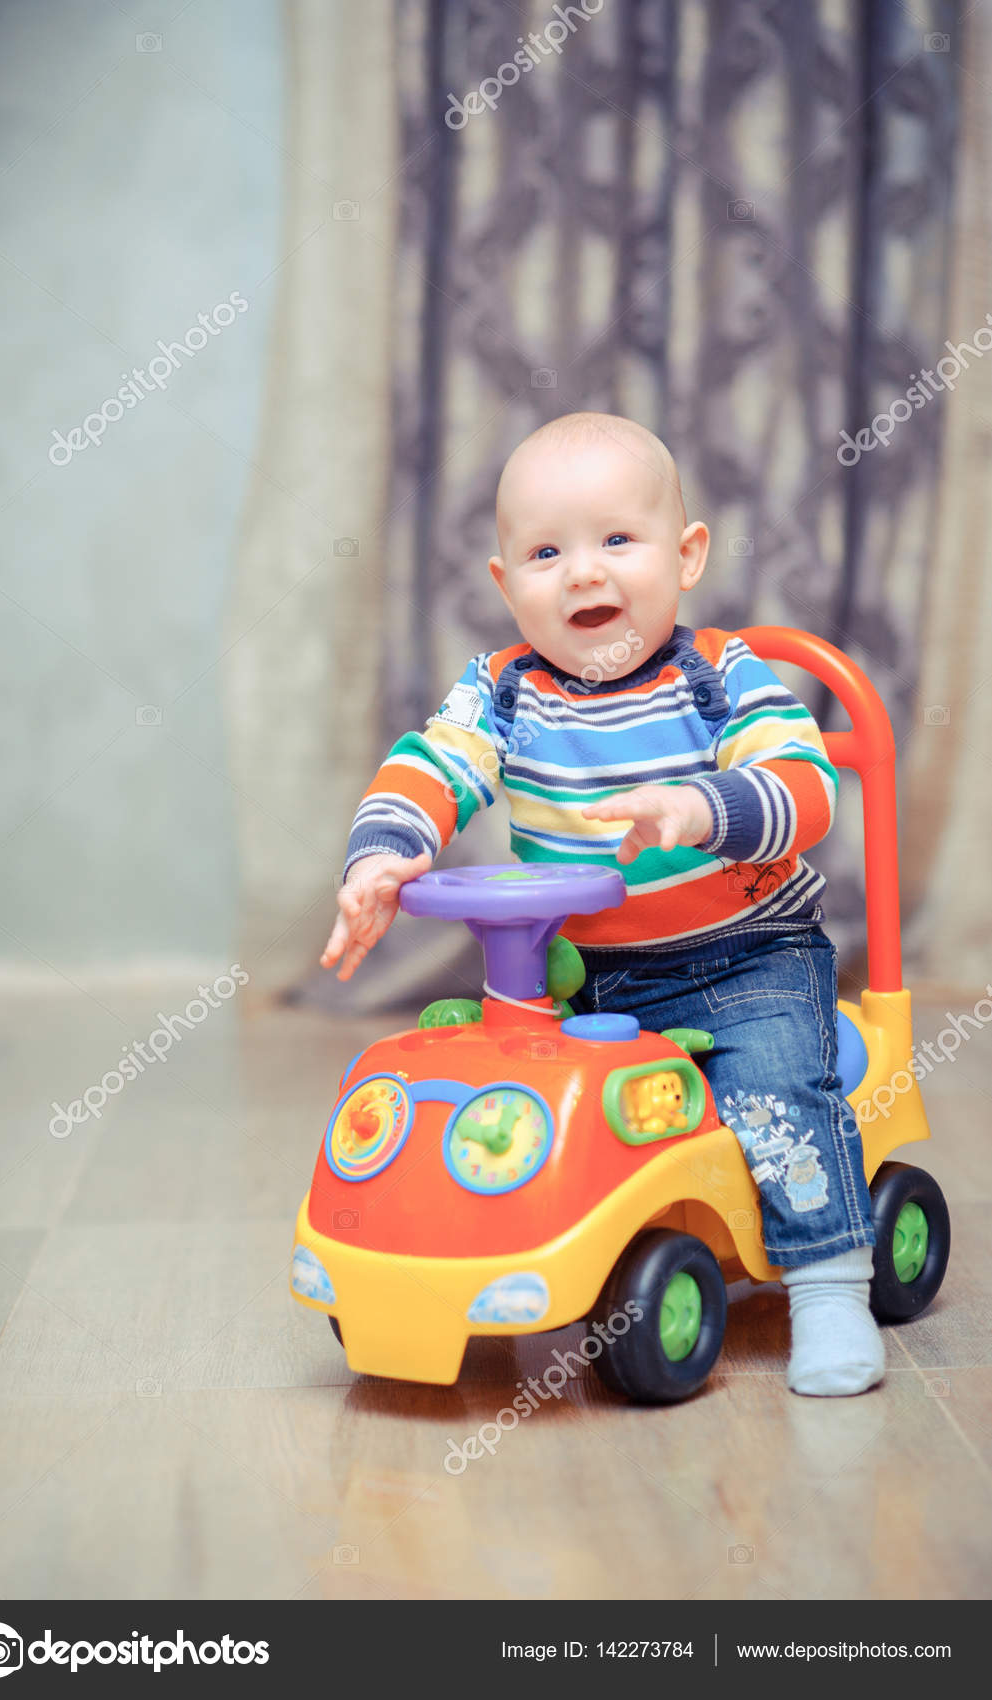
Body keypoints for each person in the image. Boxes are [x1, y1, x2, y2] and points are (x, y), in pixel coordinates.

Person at [321, 411, 884, 1398]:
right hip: (585, 979)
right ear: (505, 584)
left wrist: (700, 806)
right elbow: (430, 768)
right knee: (502, 1095)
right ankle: (490, 1246)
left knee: (775, 1090)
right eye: (546, 551)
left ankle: (829, 1279)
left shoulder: (719, 678)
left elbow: (804, 789)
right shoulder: (502, 691)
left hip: (744, 956)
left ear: (686, 553)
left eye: (618, 540)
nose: (584, 572)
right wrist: (382, 856)